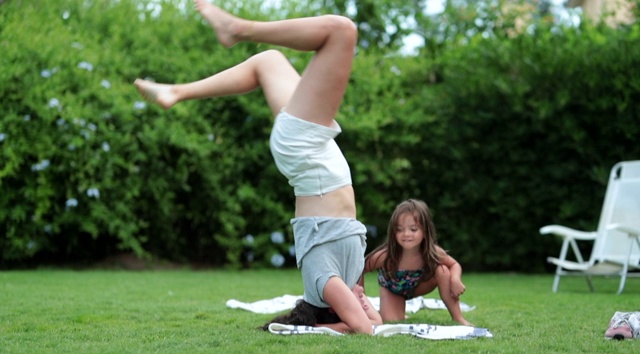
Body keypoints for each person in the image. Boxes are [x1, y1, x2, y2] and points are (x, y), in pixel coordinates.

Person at [134, 0, 381, 334]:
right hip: (313, 148)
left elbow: (365, 329)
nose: (363, 301)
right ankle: (175, 91)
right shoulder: (339, 286)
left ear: (334, 313)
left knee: (341, 31)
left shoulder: (326, 285)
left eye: (355, 307)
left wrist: (344, 321)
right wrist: (364, 308)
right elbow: (373, 322)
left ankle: (238, 29)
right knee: (268, 61)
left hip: (305, 149)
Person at [360, 199, 472, 326]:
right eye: (400, 229)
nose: (406, 234)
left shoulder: (433, 252)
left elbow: (454, 264)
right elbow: (360, 268)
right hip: (392, 289)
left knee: (443, 270)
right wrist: (361, 297)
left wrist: (455, 280)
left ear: (425, 231)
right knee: (392, 321)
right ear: (393, 232)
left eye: (413, 229)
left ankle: (458, 317)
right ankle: (392, 309)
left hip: (419, 285)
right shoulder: (385, 256)